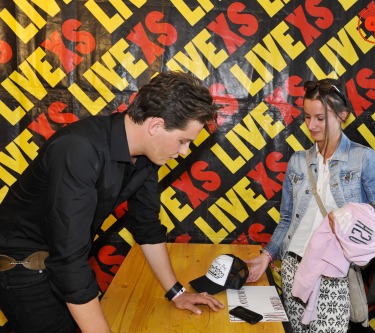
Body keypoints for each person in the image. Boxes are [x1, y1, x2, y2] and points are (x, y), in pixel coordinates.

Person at [0, 71, 224, 333]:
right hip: (21, 268)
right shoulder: (80, 149)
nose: (184, 151)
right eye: (183, 141)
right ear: (155, 125)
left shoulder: (147, 157)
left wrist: (176, 292)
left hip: (59, 264)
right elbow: (69, 260)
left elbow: (147, 227)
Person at [245, 78, 375, 333]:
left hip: (334, 273)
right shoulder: (298, 161)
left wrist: (354, 222)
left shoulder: (362, 158)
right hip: (294, 268)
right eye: (307, 117)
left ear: (343, 115)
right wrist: (267, 256)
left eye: (320, 118)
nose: (311, 125)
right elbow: (286, 220)